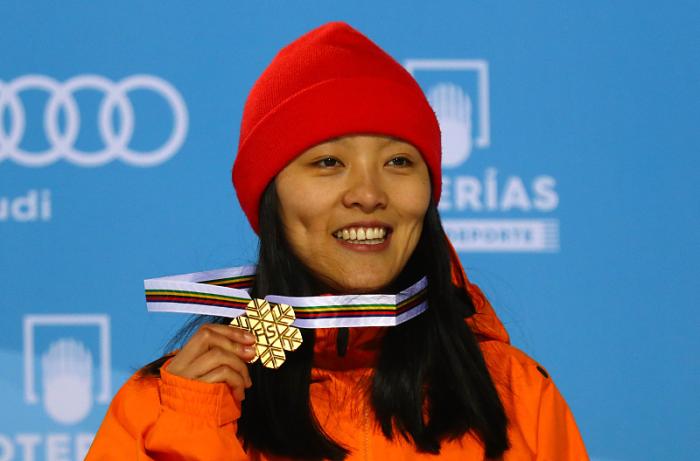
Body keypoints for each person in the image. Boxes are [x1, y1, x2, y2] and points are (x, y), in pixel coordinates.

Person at [86, 21, 588, 460]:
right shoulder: (168, 406)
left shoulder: (517, 394)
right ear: (271, 197)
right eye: (328, 162)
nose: (368, 194)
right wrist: (194, 431)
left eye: (398, 161)